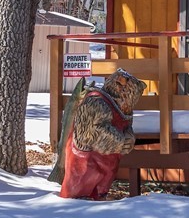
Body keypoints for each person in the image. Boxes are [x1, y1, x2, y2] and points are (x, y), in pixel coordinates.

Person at [59, 69, 146, 200]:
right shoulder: (96, 102)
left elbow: (127, 126)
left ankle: (100, 198)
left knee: (100, 194)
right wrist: (120, 142)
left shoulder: (123, 108)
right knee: (79, 193)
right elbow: (91, 133)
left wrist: (129, 138)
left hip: (108, 163)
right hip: (85, 163)